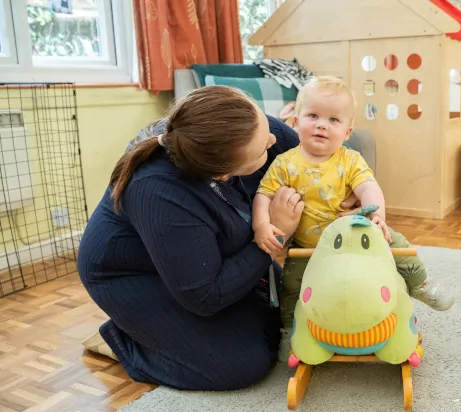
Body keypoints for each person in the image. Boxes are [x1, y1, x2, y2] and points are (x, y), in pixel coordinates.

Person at [77, 85, 316, 391]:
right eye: (262, 151)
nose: (273, 140)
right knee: (241, 364)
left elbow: (315, 162)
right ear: (222, 174)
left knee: (289, 317)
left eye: (265, 127)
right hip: (133, 275)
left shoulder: (244, 128)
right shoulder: (159, 190)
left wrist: (350, 193)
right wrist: (276, 233)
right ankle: (128, 338)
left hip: (205, 255)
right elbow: (206, 296)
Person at [251, 76, 455, 361]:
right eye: (313, 116)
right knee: (292, 287)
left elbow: (368, 187)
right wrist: (262, 224)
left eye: (333, 120)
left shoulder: (350, 159)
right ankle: (291, 330)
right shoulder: (285, 163)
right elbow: (263, 194)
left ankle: (420, 284)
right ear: (296, 122)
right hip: (309, 246)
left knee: (395, 242)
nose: (322, 124)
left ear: (347, 132)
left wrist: (376, 215)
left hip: (357, 235)